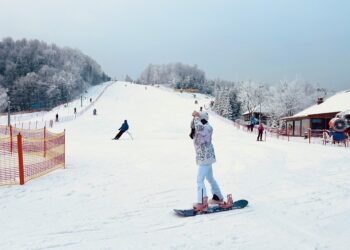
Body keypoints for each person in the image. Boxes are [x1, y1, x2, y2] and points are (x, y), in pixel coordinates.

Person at [191, 111, 229, 212]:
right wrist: (194, 118)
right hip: (204, 158)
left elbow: (200, 129)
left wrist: (196, 117)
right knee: (210, 178)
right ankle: (218, 197)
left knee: (200, 180)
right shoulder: (200, 126)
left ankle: (202, 202)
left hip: (206, 158)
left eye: (199, 119)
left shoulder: (207, 127)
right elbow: (195, 129)